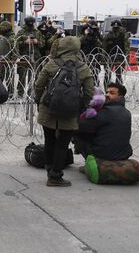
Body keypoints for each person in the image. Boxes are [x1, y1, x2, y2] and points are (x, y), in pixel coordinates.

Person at [34, 36, 94, 187]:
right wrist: (83, 107)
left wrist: (38, 100)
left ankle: (49, 170)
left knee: (50, 140)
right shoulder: (83, 67)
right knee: (63, 144)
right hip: (70, 110)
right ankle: (56, 175)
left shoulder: (52, 64)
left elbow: (38, 84)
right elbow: (89, 92)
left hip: (49, 108)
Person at [75, 83, 132, 161]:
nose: (107, 95)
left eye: (112, 93)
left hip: (103, 155)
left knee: (74, 130)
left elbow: (81, 126)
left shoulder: (106, 111)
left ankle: (91, 161)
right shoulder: (127, 112)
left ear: (120, 97)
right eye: (107, 92)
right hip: (124, 154)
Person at [15, 16, 44, 97]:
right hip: (24, 57)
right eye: (29, 22)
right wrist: (25, 42)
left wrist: (37, 42)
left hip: (35, 57)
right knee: (22, 76)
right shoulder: (21, 32)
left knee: (34, 76)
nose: (31, 24)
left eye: (32, 22)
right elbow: (16, 43)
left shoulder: (37, 32)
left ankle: (31, 93)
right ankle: (20, 93)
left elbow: (42, 44)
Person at [103, 20, 130, 86]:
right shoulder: (108, 36)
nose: (116, 29)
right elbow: (104, 48)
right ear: (112, 27)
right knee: (107, 75)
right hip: (109, 57)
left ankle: (118, 91)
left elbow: (127, 47)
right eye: (114, 27)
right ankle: (107, 90)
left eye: (117, 27)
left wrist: (126, 59)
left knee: (119, 75)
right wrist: (103, 58)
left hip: (120, 58)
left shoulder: (123, 36)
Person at [0, 21, 16, 95]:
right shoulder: (2, 37)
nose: (1, 30)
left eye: (2, 28)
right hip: (0, 61)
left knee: (9, 79)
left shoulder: (12, 38)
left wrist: (12, 61)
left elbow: (15, 50)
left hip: (8, 62)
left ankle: (10, 94)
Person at [79, 19, 103, 86]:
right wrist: (86, 35)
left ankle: (95, 89)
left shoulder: (96, 35)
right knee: (84, 76)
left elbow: (101, 45)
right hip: (84, 57)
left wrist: (95, 35)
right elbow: (79, 43)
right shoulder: (82, 35)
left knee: (95, 75)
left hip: (95, 58)